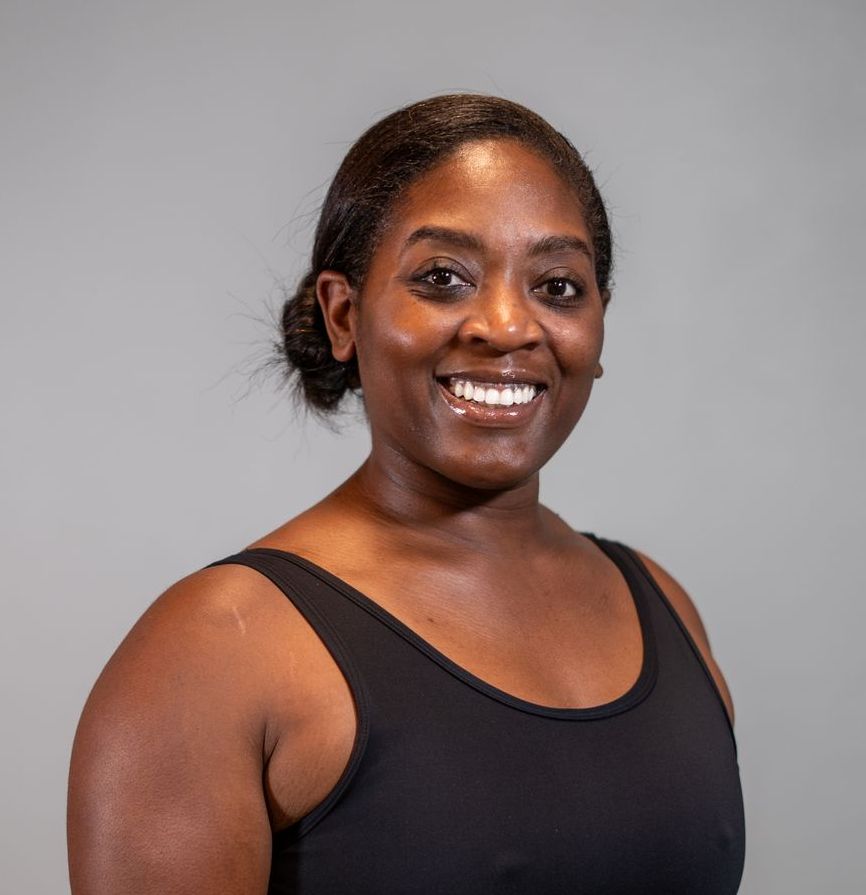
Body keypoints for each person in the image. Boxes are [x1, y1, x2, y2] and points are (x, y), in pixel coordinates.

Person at [67, 94, 745, 894]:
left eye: (558, 286)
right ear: (344, 314)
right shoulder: (214, 653)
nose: (506, 325)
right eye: (443, 278)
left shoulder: (662, 604)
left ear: (597, 330)